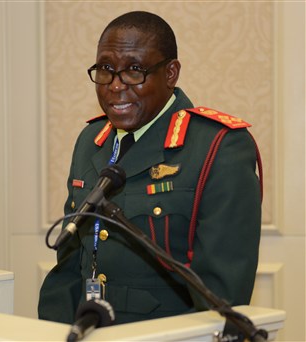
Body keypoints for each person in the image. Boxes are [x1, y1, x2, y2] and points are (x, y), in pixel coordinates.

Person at [38, 11, 262, 325]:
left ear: (171, 73)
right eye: (105, 69)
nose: (115, 86)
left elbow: (221, 295)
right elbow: (68, 268)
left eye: (134, 71)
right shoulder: (92, 140)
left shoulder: (218, 147)